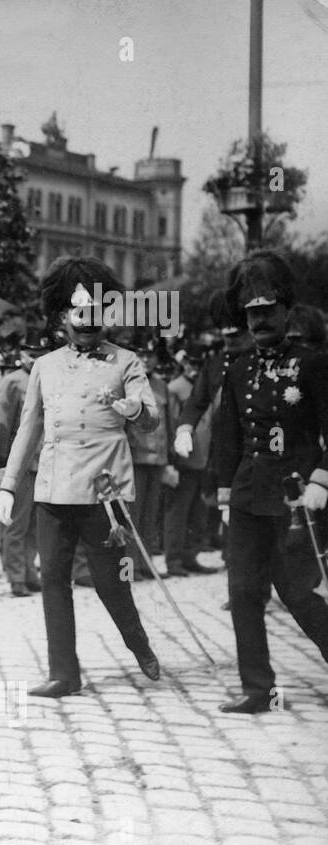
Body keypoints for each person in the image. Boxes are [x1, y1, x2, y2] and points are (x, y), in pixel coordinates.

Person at [0, 256, 162, 698]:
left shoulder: (126, 362)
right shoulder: (44, 366)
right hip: (54, 488)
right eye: (78, 314)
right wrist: (10, 484)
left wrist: (135, 409)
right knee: (52, 579)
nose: (87, 323)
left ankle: (137, 641)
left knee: (110, 581)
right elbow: (27, 430)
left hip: (105, 490)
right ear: (63, 317)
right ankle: (63, 674)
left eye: (96, 314)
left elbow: (150, 419)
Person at [211, 250, 328, 713]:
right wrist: (224, 496)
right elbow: (228, 437)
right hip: (247, 497)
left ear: (286, 312)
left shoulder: (314, 364)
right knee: (243, 593)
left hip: (296, 497)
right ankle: (258, 689)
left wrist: (322, 478)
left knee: (297, 593)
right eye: (252, 313)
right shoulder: (237, 370)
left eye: (267, 312)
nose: (259, 321)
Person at [0, 328, 49, 596]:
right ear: (20, 354)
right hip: (20, 462)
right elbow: (0, 423)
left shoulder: (50, 378)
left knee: (36, 524)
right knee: (16, 522)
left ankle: (29, 570)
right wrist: (2, 461)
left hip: (45, 461)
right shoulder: (12, 382)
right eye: (30, 354)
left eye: (41, 354)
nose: (35, 359)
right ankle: (16, 576)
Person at [164, 346, 217, 577]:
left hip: (204, 459)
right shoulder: (175, 388)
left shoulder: (205, 387)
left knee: (199, 512)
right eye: (190, 363)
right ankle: (174, 559)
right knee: (178, 512)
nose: (194, 368)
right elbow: (172, 423)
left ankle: (191, 556)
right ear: (183, 363)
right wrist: (172, 458)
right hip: (184, 461)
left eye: (198, 364)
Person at [125, 344, 172, 579]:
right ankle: (131, 566)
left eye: (150, 355)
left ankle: (146, 564)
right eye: (141, 354)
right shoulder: (127, 382)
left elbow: (169, 422)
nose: (145, 359)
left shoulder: (162, 385)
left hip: (157, 458)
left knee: (150, 515)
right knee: (133, 515)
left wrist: (170, 457)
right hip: (136, 457)